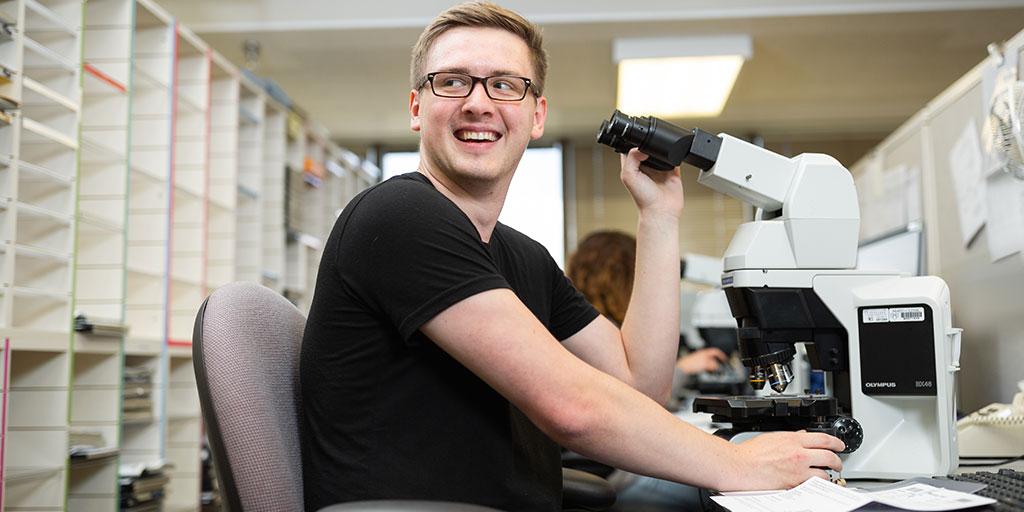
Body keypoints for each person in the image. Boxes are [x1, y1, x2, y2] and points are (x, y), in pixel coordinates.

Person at [299, 3, 844, 511]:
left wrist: (658, 218)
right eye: (453, 81)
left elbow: (641, 385)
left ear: (536, 116)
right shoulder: (399, 216)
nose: (478, 102)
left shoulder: (521, 257)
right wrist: (737, 463)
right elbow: (574, 410)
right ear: (418, 107)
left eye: (505, 84)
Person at [566, 230, 728, 384]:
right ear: (626, 275)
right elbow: (629, 393)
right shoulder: (596, 332)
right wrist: (684, 368)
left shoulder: (582, 322)